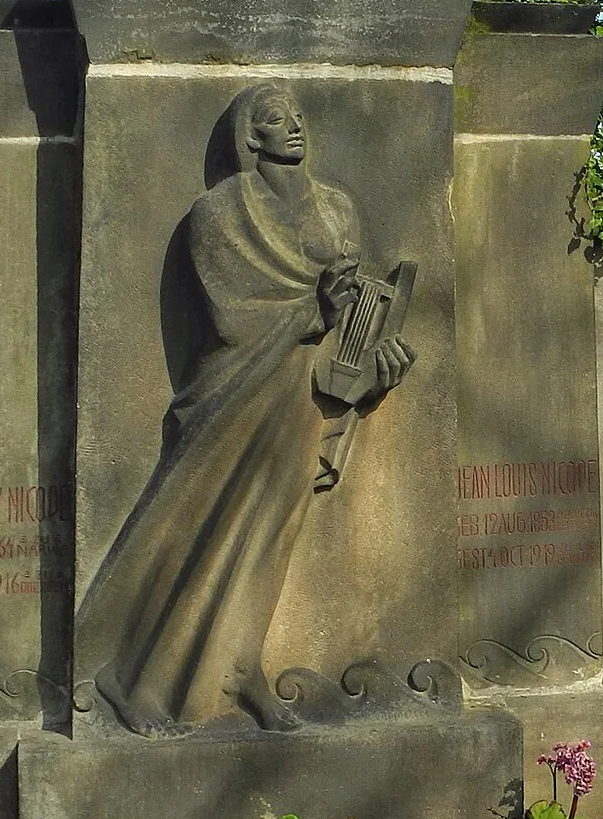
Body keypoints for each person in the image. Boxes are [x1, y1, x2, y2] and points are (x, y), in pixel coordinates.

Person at [78, 82, 412, 737]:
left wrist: (374, 358)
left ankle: (240, 669)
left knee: (270, 538)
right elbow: (231, 318)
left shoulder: (338, 211)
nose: (293, 126)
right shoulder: (218, 215)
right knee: (203, 529)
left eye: (297, 116)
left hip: (301, 397)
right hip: (233, 392)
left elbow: (354, 316)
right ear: (249, 136)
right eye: (273, 119)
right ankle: (135, 678)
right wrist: (315, 309)